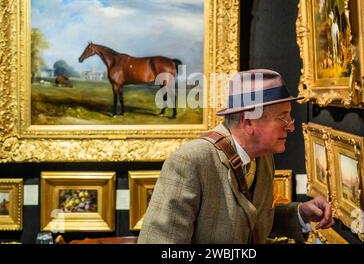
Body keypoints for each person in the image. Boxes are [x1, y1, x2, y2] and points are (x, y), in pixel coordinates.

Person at [138, 69, 334, 243]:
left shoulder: (262, 157)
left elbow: (250, 220)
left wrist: (300, 213)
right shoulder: (190, 161)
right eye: (282, 117)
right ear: (248, 122)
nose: (290, 126)